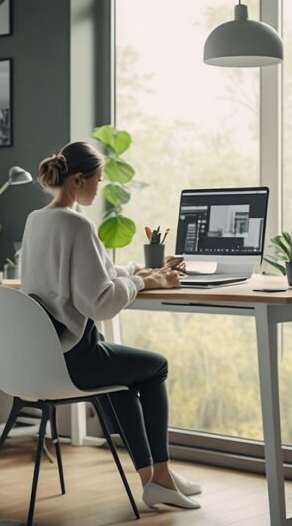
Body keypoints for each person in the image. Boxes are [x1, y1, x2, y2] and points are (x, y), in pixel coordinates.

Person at [19, 141, 202, 510]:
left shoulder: (37, 220)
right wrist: (145, 283)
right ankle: (161, 475)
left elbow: (91, 274)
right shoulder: (76, 225)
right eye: (98, 180)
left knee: (122, 382)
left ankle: (154, 479)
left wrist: (138, 271)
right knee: (155, 367)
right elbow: (101, 303)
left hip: (41, 359)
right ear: (78, 180)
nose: (100, 187)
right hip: (74, 359)